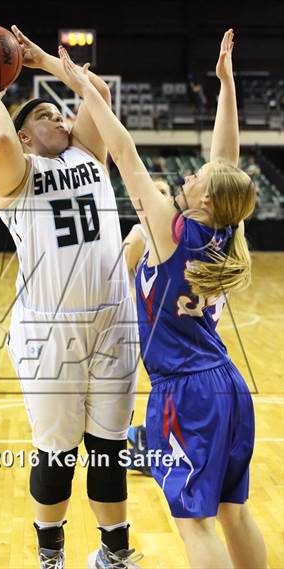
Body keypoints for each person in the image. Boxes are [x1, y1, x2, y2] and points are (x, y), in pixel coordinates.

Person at [60, 27, 267, 569]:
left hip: (186, 393)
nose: (192, 173)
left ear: (203, 198)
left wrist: (89, 95)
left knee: (193, 524)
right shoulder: (224, 230)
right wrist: (226, 86)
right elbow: (228, 160)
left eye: (197, 176)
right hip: (227, 385)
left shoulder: (170, 232)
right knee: (234, 513)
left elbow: (124, 154)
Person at [0, 25, 142, 569]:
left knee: (109, 446)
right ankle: (51, 554)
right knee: (58, 450)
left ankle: (114, 553)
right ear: (26, 136)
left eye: (58, 113)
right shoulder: (18, 175)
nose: (59, 118)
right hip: (49, 329)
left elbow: (98, 96)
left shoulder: (90, 153)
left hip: (113, 318)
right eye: (44, 116)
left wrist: (43, 62)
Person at [123, 180, 173, 477]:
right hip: (142, 323)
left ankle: (146, 437)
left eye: (164, 192)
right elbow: (117, 276)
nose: (160, 198)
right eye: (155, 192)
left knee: (165, 389)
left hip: (164, 323)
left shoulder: (173, 235)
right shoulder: (139, 234)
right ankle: (146, 440)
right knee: (160, 386)